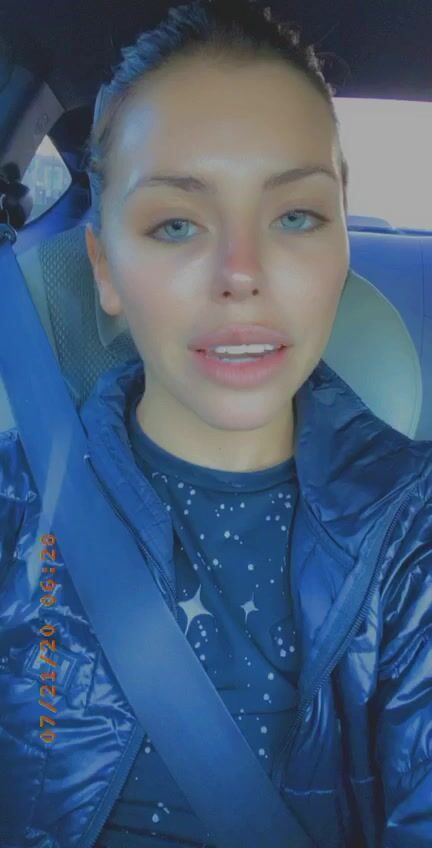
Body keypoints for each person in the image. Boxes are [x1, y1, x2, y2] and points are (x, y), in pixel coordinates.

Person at [0, 1, 431, 846]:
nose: (241, 273)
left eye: (296, 216)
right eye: (175, 224)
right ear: (105, 270)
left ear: (342, 243)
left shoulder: (414, 534)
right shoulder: (16, 504)